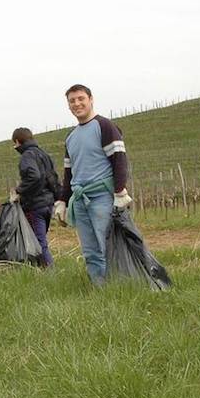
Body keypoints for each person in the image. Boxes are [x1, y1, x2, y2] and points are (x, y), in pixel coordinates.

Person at [54, 84, 133, 285]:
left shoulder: (105, 126)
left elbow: (119, 160)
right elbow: (68, 173)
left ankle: (118, 286)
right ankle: (100, 288)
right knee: (90, 250)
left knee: (108, 245)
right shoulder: (70, 137)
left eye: (81, 98)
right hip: (80, 200)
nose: (77, 103)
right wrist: (62, 201)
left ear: (91, 99)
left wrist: (119, 192)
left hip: (102, 197)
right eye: (72, 101)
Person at [11, 127, 57, 267]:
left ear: (18, 141)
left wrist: (19, 191)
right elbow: (53, 178)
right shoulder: (43, 154)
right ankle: (39, 270)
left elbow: (34, 176)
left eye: (14, 143)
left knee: (38, 243)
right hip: (48, 204)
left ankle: (50, 274)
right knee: (40, 240)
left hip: (35, 205)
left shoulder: (27, 156)